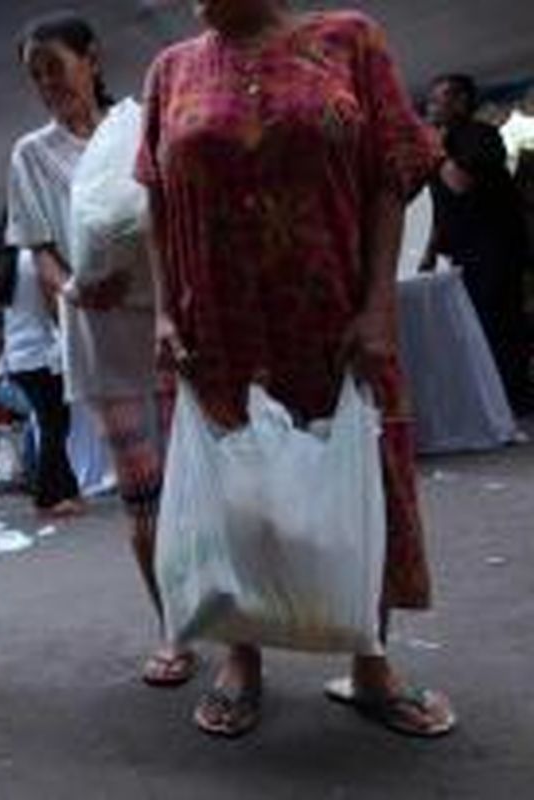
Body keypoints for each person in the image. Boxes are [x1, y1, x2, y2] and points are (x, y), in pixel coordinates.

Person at [139, 0, 454, 737]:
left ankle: (370, 663)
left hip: (332, 313)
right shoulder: (170, 70)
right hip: (216, 320)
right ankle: (241, 657)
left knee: (359, 484)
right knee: (237, 497)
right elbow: (155, 197)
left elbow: (391, 173)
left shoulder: (350, 39)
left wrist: (378, 304)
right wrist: (160, 312)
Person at [7, 12, 194, 687]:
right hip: (98, 339)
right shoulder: (31, 154)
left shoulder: (142, 120)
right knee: (142, 492)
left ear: (92, 58)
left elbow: (176, 214)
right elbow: (40, 254)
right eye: (35, 77)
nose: (47, 84)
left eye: (54, 66)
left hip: (172, 327)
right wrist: (80, 290)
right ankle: (174, 629)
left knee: (199, 483)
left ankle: (230, 620)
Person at [423, 74, 531, 413]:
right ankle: (493, 399)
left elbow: (459, 183)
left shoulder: (480, 136)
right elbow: (439, 205)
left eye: (439, 99)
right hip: (463, 251)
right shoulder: (444, 143)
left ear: (461, 102)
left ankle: (513, 398)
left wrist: (435, 150)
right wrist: (428, 251)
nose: (431, 106)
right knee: (473, 326)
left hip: (494, 248)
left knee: (497, 323)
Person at [0, 242, 82, 515]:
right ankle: (46, 496)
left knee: (50, 424)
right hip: (42, 353)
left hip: (18, 358)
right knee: (56, 426)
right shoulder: (32, 258)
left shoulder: (0, 265)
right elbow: (52, 300)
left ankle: (68, 491)